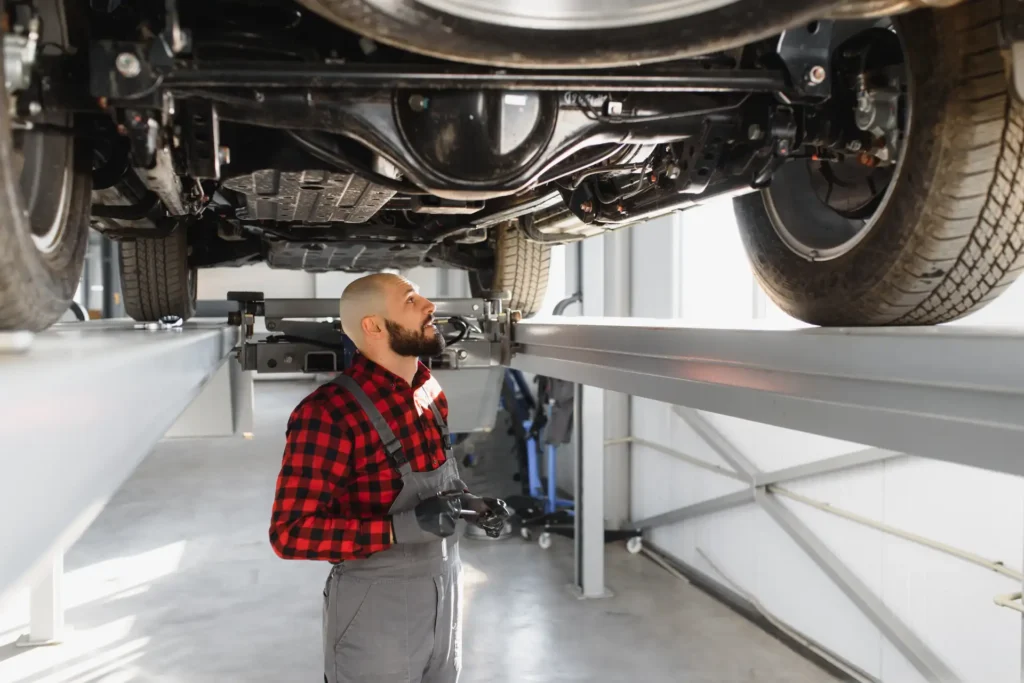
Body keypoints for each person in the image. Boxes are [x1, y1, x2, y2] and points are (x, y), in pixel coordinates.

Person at [268, 272, 512, 683]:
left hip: (445, 595)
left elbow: (441, 488)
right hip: (375, 609)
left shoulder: (429, 391)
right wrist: (400, 529)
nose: (429, 306)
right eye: (411, 299)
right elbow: (289, 534)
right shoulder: (328, 413)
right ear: (373, 326)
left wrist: (471, 503)